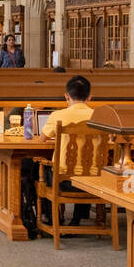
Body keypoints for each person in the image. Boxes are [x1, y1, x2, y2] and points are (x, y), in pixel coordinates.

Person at [40, 75, 95, 226]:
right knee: (86, 163)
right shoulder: (100, 117)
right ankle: (77, 218)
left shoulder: (58, 116)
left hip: (64, 179)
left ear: (66, 96)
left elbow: (42, 139)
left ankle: (53, 217)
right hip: (94, 179)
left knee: (41, 169)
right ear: (90, 97)